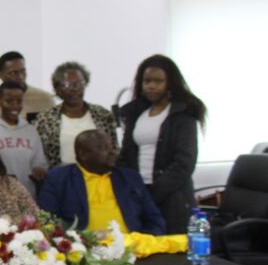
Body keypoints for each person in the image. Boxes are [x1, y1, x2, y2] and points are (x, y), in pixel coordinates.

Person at [118, 54, 206, 234]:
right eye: (146, 81)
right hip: (139, 194)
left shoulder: (183, 114)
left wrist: (153, 194)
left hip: (171, 197)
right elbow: (126, 155)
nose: (151, 86)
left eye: (158, 81)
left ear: (170, 83)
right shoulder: (136, 113)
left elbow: (184, 163)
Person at [38, 130, 165, 234]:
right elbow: (47, 220)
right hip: (85, 252)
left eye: (113, 147)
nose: (112, 152)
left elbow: (155, 219)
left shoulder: (130, 177)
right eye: (104, 148)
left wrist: (144, 240)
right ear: (83, 154)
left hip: (133, 246)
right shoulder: (59, 179)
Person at [34, 61, 118, 168]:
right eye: (68, 85)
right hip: (61, 177)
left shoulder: (102, 114)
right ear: (57, 89)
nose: (75, 89)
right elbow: (41, 155)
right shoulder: (45, 119)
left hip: (98, 176)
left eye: (79, 84)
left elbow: (114, 149)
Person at [0, 81, 48, 197]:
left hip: (26, 195)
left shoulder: (31, 131)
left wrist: (39, 170)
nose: (14, 106)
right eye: (9, 101)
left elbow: (40, 163)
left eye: (19, 101)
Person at [0, 51, 56, 120]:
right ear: (0, 75)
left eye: (23, 71)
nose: (20, 77)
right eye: (13, 73)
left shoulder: (45, 99)